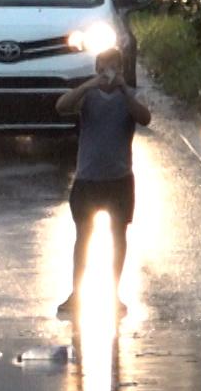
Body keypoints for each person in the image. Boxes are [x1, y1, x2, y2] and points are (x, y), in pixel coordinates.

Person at [53, 47, 151, 320]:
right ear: (97, 68)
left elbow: (145, 118)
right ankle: (77, 292)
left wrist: (123, 90)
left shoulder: (128, 96)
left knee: (118, 236)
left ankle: (115, 292)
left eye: (115, 67)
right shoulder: (88, 96)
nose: (109, 73)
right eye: (104, 67)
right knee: (83, 237)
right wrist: (88, 86)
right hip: (88, 178)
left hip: (119, 179)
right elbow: (61, 106)